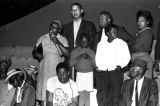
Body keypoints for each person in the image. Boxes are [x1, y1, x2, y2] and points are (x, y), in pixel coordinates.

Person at [33, 19, 69, 105]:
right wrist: (39, 55)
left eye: (55, 27)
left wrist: (57, 42)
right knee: (43, 94)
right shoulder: (42, 37)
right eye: (51, 26)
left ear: (59, 30)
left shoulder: (63, 39)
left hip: (55, 69)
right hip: (44, 69)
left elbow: (67, 53)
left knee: (54, 93)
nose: (52, 28)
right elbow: (34, 51)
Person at [95, 24, 131, 106]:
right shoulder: (101, 44)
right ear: (107, 33)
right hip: (104, 72)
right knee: (105, 95)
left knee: (116, 95)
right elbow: (98, 56)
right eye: (113, 32)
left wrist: (120, 65)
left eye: (116, 32)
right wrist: (99, 66)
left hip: (116, 72)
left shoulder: (122, 43)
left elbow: (127, 57)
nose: (115, 33)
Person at [69, 34, 96, 106]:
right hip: (79, 75)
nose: (84, 43)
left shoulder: (91, 52)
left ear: (88, 42)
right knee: (80, 94)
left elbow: (95, 65)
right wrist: (80, 57)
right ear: (79, 42)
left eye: (86, 41)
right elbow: (70, 64)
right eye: (82, 41)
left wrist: (89, 58)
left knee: (87, 95)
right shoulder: (75, 52)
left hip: (89, 74)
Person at [131, 10, 154, 79]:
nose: (139, 23)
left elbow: (136, 47)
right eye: (138, 21)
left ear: (147, 22)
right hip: (140, 59)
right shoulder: (142, 32)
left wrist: (129, 48)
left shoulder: (147, 32)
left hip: (142, 60)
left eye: (142, 21)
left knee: (143, 85)